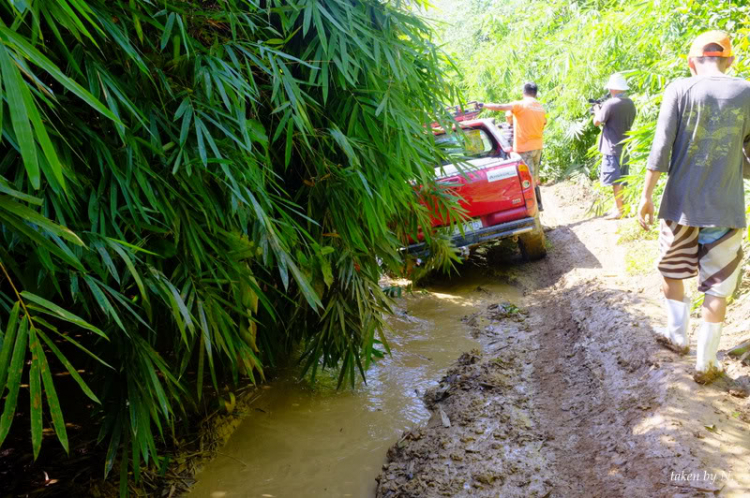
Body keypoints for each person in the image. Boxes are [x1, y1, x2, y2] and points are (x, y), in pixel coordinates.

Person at [638, 31, 750, 384]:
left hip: (680, 206)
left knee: (672, 271)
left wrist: (645, 196)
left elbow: (661, 147)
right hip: (726, 208)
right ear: (730, 60)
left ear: (692, 62)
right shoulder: (746, 92)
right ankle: (706, 363)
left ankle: (677, 336)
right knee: (717, 287)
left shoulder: (679, 88)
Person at [482, 83, 547, 183]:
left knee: (527, 181)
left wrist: (484, 105)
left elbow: (500, 106)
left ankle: (534, 197)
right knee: (534, 178)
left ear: (523, 92)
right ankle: (537, 196)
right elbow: (544, 123)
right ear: (535, 94)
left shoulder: (520, 105)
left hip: (525, 149)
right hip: (537, 147)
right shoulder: (541, 108)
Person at [593, 73, 637, 219]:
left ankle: (620, 211)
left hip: (612, 148)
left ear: (613, 89)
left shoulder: (610, 104)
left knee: (615, 181)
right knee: (622, 180)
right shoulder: (630, 103)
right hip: (625, 147)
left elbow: (597, 122)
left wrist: (596, 110)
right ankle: (621, 207)